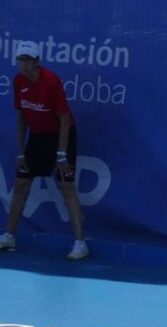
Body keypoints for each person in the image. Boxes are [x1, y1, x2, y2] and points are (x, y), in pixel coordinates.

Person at [0, 41, 89, 260]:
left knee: (66, 186)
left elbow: (65, 119)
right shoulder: (18, 81)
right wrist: (21, 153)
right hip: (37, 138)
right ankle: (9, 237)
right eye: (20, 59)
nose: (23, 63)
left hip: (61, 137)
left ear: (36, 62)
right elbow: (21, 117)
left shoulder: (51, 81)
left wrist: (61, 155)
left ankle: (80, 244)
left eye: (27, 60)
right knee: (21, 184)